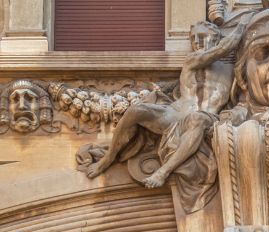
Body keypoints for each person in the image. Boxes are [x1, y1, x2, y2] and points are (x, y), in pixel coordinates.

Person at [85, 21, 242, 188]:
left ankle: (163, 172)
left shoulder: (231, 69)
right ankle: (108, 157)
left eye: (202, 36)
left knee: (197, 118)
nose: (197, 42)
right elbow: (225, 47)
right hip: (175, 114)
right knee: (136, 110)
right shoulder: (192, 60)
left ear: (216, 37)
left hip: (206, 117)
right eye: (193, 38)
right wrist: (243, 26)